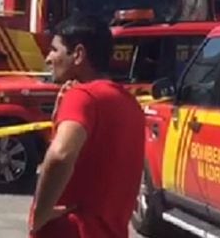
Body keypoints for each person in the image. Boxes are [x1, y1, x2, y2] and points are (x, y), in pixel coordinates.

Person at [29, 14, 144, 238]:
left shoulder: (82, 96)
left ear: (78, 54)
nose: (48, 58)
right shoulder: (129, 104)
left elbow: (60, 156)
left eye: (55, 50)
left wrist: (39, 214)